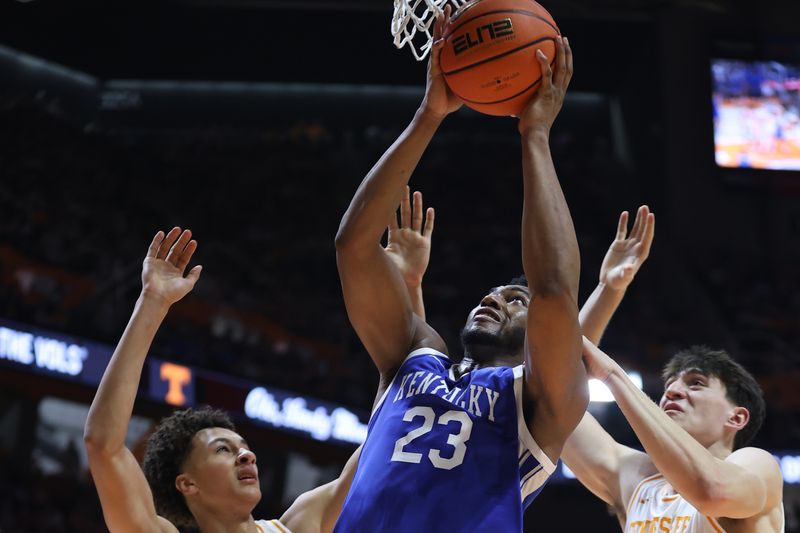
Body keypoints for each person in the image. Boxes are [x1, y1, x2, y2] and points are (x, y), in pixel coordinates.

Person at [332, 6, 586, 530]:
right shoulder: (412, 359)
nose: (493, 298)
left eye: (513, 301)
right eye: (493, 293)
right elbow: (354, 247)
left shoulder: (540, 402)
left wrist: (534, 136)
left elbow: (555, 291)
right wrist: (430, 114)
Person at [83, 227, 361, 533]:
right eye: (223, 450)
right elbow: (103, 444)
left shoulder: (300, 524)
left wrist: (410, 292)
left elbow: (389, 430)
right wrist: (152, 301)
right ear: (188, 483)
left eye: (242, 447)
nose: (247, 456)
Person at [561, 215, 786, 532]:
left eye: (696, 384)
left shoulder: (756, 465)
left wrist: (613, 375)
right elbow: (556, 392)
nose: (673, 391)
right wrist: (608, 289)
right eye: (669, 385)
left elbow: (712, 492)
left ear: (736, 418)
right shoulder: (633, 475)